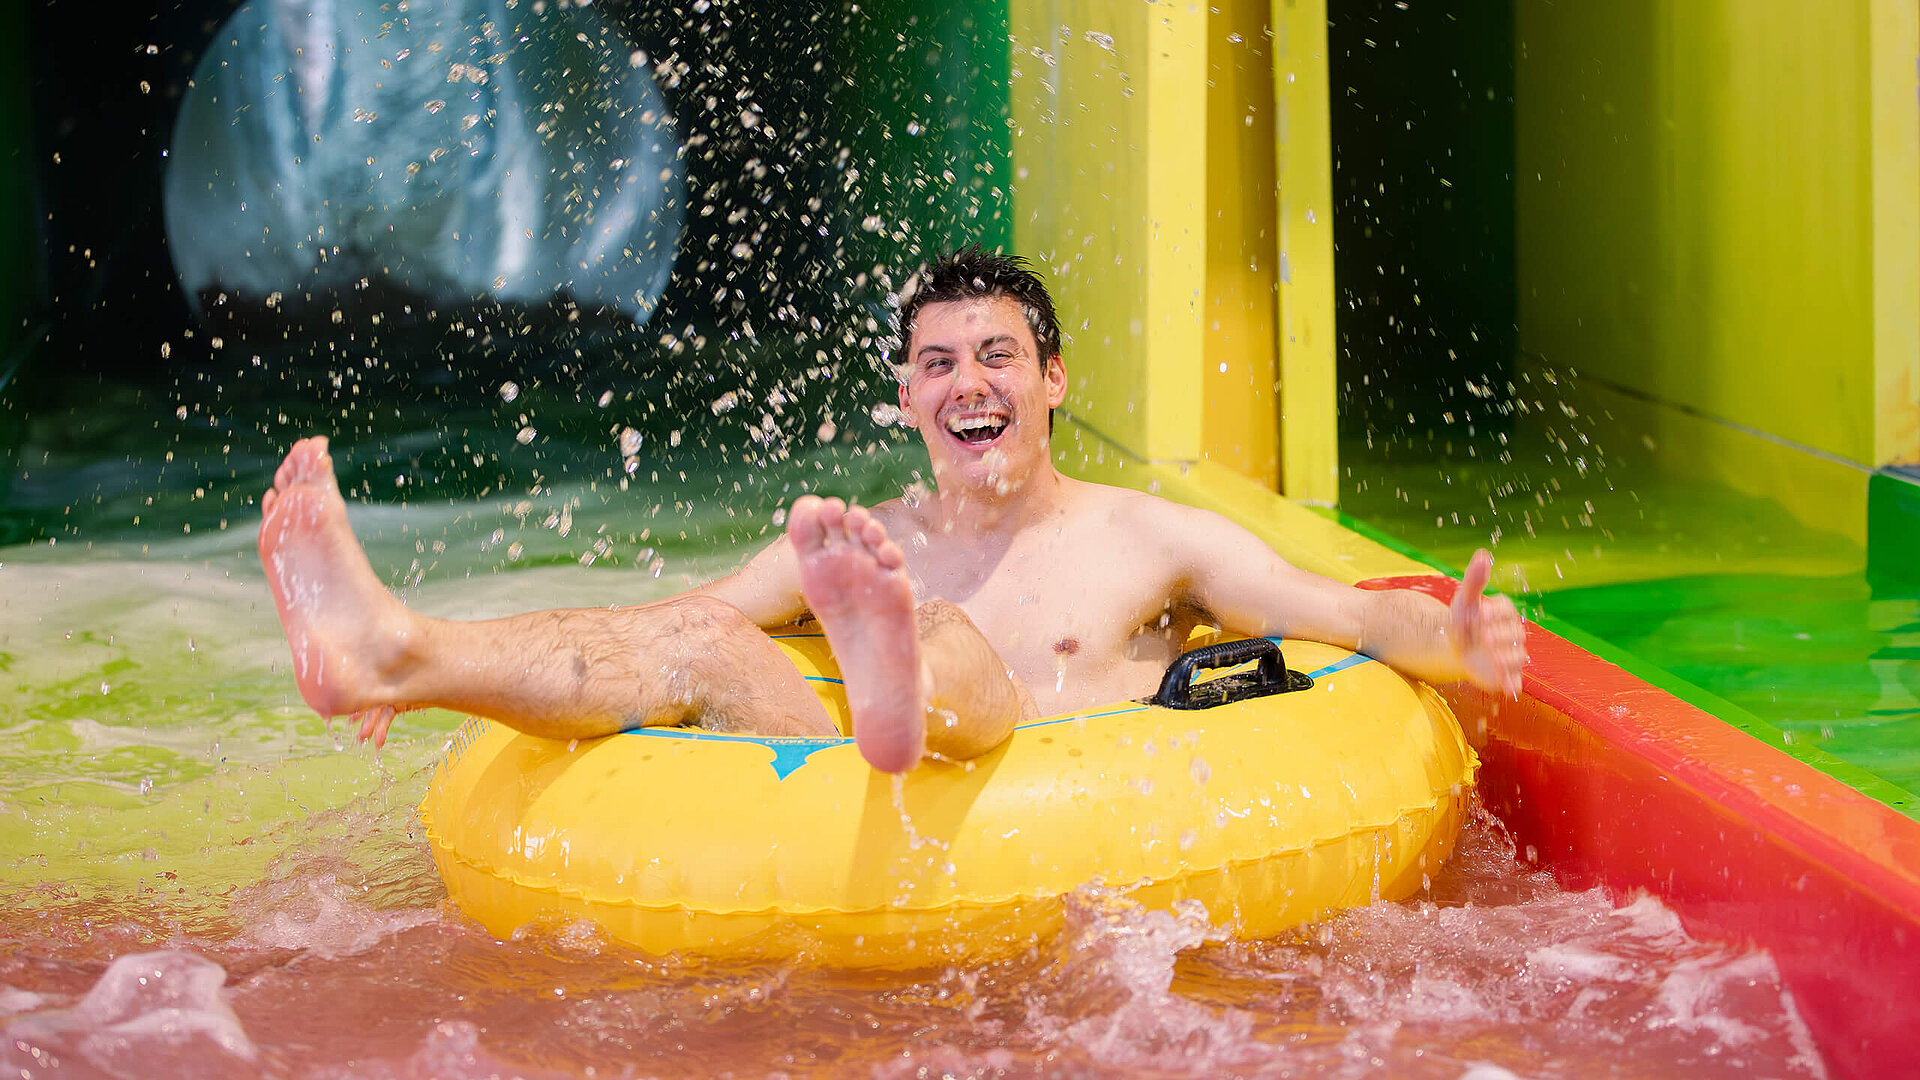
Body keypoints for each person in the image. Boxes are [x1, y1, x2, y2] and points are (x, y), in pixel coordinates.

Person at [258, 247, 1526, 773]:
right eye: (936, 364)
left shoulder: (1147, 540)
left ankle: (902, 662)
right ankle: (396, 648)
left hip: (1052, 799)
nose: (967, 383)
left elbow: (1339, 614)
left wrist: (1454, 639)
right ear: (906, 397)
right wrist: (472, 674)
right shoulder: (874, 532)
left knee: (941, 636)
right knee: (704, 640)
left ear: (1052, 381)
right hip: (854, 799)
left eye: (996, 357)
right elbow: (656, 631)